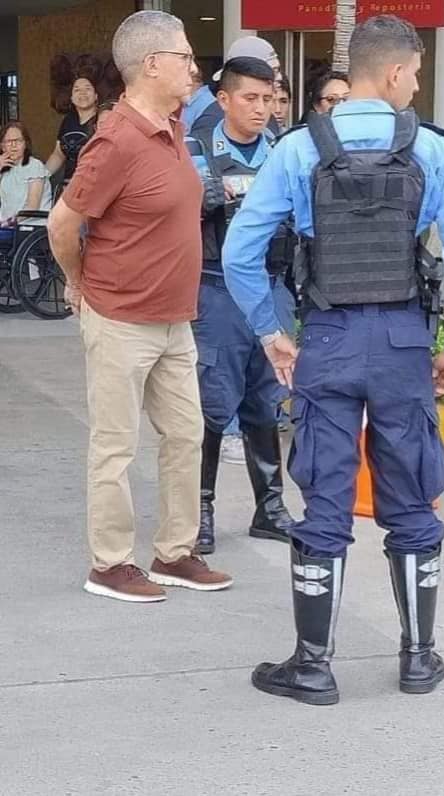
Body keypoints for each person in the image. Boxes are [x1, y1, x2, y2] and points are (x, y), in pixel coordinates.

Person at [222, 14, 444, 705]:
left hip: (329, 342)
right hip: (403, 344)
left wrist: (269, 332)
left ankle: (313, 666)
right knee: (411, 497)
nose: (419, 83)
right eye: (418, 72)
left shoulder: (298, 148)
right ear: (395, 72)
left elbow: (238, 254)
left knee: (324, 501)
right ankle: (420, 659)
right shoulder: (431, 149)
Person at [47, 10, 232, 603]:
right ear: (152, 66)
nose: (193, 68)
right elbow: (62, 223)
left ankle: (175, 553)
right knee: (115, 444)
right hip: (121, 317)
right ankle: (110, 564)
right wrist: (77, 283)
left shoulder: (172, 127)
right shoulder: (118, 138)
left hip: (175, 319)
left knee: (185, 436)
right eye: (183, 58)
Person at [186, 57, 296, 557]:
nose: (262, 109)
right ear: (224, 99)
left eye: (269, 99)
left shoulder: (283, 152)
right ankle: (200, 511)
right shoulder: (197, 150)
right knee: (212, 403)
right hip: (217, 290)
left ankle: (269, 509)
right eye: (250, 98)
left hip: (271, 287)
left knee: (265, 400)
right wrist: (197, 198)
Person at [45, 76, 99, 182]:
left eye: (87, 88)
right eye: (77, 90)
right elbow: (59, 154)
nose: (82, 93)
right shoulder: (68, 120)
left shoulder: (103, 118)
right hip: (69, 184)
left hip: (95, 184)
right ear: (72, 98)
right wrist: (42, 176)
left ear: (96, 96)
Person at [0, 122, 52, 224]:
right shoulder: (4, 168)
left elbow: (32, 206)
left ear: (25, 144)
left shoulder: (35, 166)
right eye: (8, 141)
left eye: (18, 141)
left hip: (31, 225)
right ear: (2, 146)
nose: (13, 145)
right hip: (6, 226)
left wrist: (9, 223)